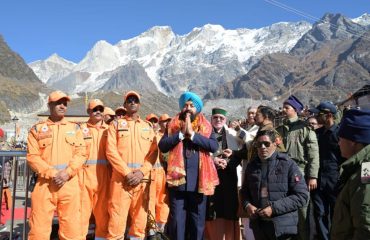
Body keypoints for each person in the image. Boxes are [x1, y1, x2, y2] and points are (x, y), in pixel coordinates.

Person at [158, 91, 219, 240]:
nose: (188, 108)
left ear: (197, 109)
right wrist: (180, 134)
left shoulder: (206, 125)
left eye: (192, 105)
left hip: (199, 183)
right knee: (177, 223)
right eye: (185, 105)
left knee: (197, 222)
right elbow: (163, 145)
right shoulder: (173, 124)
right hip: (177, 184)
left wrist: (192, 135)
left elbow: (213, 146)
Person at [26, 90, 86, 240]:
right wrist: (52, 173)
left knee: (72, 231)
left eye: (64, 103)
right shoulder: (36, 130)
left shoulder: (75, 128)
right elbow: (32, 157)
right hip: (45, 184)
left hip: (69, 184)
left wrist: (67, 172)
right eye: (58, 102)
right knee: (38, 231)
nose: (62, 106)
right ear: (49, 105)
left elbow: (81, 154)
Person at [106, 90, 158, 240]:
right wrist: (127, 173)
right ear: (125, 105)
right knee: (116, 224)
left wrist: (142, 172)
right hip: (121, 182)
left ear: (139, 105)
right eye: (129, 100)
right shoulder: (115, 125)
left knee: (139, 226)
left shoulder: (147, 127)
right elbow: (111, 151)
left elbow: (153, 153)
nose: (132, 102)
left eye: (135, 100)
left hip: (142, 182)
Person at [240, 130, 309, 240]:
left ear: (274, 144)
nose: (262, 147)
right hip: (259, 226)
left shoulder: (288, 164)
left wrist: (274, 208)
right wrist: (247, 205)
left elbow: (302, 196)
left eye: (266, 144)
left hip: (283, 228)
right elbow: (244, 191)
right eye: (259, 144)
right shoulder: (251, 166)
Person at [276, 95, 319, 240]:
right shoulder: (280, 130)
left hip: (300, 173)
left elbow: (313, 154)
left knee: (302, 211)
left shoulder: (305, 129)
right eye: (283, 107)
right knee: (285, 210)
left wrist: (312, 176)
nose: (283, 110)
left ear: (295, 110)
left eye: (286, 108)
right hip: (283, 174)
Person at [205, 107, 247, 240]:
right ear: (211, 119)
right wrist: (213, 160)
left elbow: (242, 152)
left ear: (225, 120)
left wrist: (227, 163)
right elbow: (201, 155)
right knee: (212, 209)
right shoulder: (204, 133)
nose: (218, 120)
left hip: (228, 176)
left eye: (221, 118)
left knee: (229, 208)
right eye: (215, 117)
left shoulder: (232, 134)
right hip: (210, 175)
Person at [331, 109, 370, 240]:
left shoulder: (366, 170)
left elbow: (366, 224)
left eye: (341, 139)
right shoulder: (361, 165)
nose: (339, 143)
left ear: (353, 141)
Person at [309, 102, 343, 240]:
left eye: (319, 114)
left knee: (337, 214)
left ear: (329, 115)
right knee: (319, 213)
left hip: (334, 180)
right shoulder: (316, 134)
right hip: (317, 180)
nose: (316, 116)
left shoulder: (340, 134)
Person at [79, 99, 111, 239]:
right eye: (94, 109)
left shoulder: (110, 130)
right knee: (81, 215)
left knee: (103, 215)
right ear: (88, 112)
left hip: (104, 177)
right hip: (84, 177)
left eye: (100, 109)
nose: (98, 111)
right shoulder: (80, 129)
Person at [146, 113, 170, 239]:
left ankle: (161, 228)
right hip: (150, 173)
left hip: (162, 172)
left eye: (155, 121)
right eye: (151, 121)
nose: (153, 123)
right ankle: (151, 230)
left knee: (163, 200)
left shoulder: (166, 137)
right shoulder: (147, 136)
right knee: (150, 201)